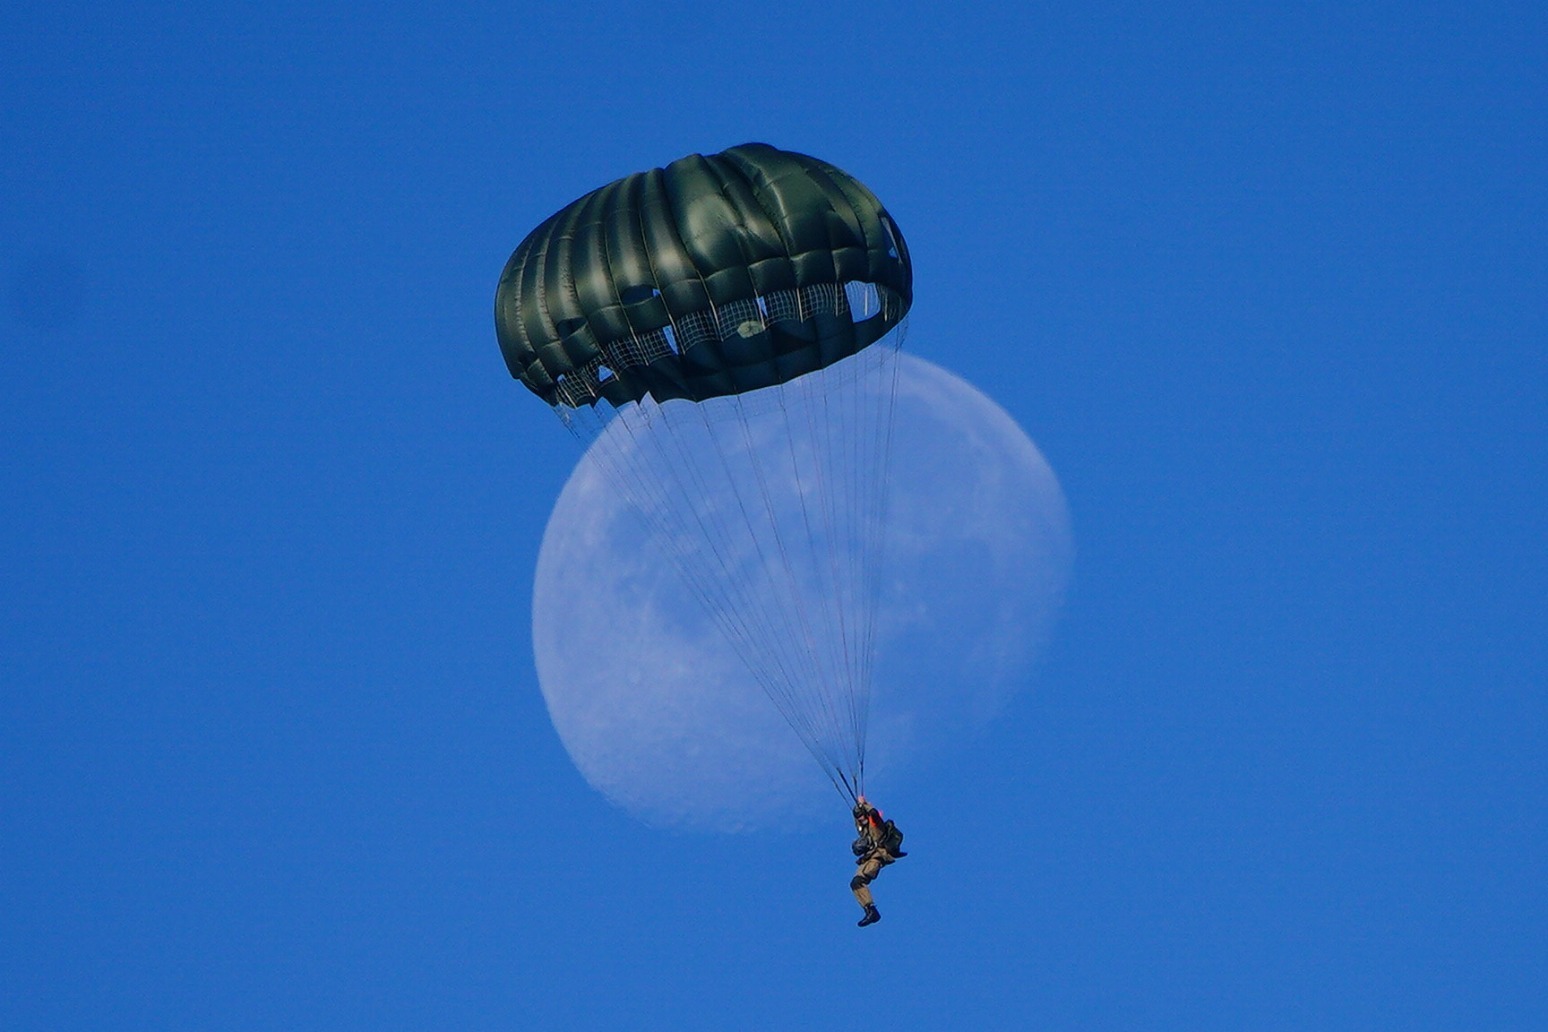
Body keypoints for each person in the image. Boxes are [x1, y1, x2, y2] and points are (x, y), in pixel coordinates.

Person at [849, 795, 906, 927]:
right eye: (859, 818)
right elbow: (857, 817)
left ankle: (872, 912)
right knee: (854, 883)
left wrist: (865, 805)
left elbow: (873, 813)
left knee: (859, 881)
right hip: (868, 859)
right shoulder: (862, 828)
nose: (861, 819)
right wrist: (859, 805)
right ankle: (870, 911)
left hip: (878, 857)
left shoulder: (875, 824)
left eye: (862, 816)